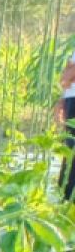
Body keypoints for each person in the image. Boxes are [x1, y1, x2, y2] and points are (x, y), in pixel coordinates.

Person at [56, 47, 75, 201]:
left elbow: (68, 75)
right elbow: (67, 74)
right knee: (70, 153)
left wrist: (69, 75)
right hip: (72, 98)